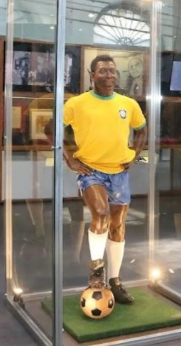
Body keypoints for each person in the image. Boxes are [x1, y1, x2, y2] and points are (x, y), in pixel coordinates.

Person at [63, 54, 147, 304]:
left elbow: (141, 129)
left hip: (119, 172)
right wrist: (70, 159)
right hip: (91, 171)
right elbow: (51, 129)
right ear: (92, 75)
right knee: (100, 214)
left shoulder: (128, 104)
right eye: (103, 71)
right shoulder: (76, 104)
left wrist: (135, 155)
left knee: (118, 225)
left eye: (112, 71)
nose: (109, 75)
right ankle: (96, 272)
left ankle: (115, 281)